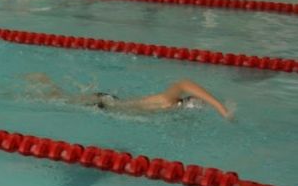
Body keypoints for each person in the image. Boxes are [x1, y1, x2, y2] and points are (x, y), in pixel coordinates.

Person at [24, 73, 233, 119]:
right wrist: (220, 108)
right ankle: (42, 81)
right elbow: (184, 83)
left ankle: (44, 84)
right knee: (54, 98)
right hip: (104, 102)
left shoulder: (169, 111)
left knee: (60, 98)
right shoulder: (168, 100)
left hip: (111, 105)